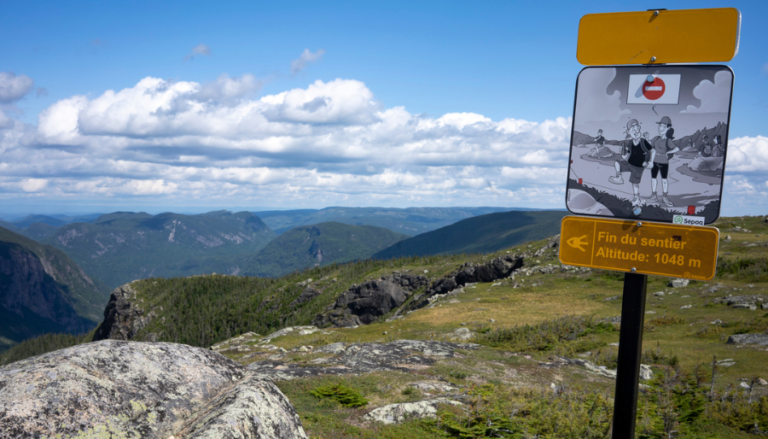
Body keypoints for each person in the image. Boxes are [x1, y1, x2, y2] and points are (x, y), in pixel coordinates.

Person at [608, 119, 655, 207]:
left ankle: (636, 197)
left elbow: (652, 151)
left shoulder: (643, 142)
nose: (635, 131)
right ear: (628, 132)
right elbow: (628, 155)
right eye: (632, 129)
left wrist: (651, 162)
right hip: (629, 163)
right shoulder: (630, 143)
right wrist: (623, 156)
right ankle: (619, 177)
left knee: (634, 182)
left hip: (638, 166)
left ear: (639, 129)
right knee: (617, 163)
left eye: (636, 128)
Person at [649, 116, 679, 207]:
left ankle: (665, 197)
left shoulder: (668, 140)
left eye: (662, 126)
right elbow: (651, 148)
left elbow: (677, 148)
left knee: (664, 180)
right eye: (659, 126)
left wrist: (668, 152)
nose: (660, 128)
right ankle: (654, 195)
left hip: (664, 162)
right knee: (653, 179)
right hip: (655, 161)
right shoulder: (656, 138)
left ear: (668, 128)